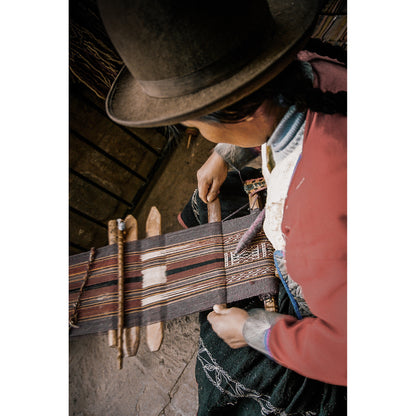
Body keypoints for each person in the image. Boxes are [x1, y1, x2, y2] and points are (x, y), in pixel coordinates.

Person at [97, 0, 347, 414]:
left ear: (238, 109)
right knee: (209, 201)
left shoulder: (318, 211)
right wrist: (224, 153)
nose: (196, 132)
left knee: (230, 360)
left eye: (195, 124)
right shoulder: (314, 64)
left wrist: (256, 331)